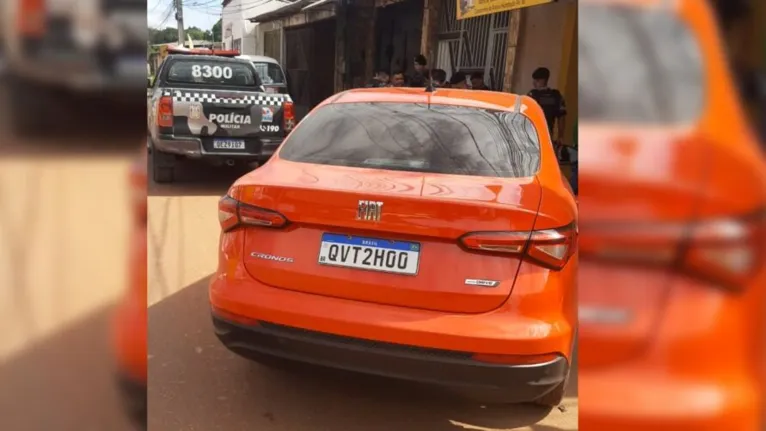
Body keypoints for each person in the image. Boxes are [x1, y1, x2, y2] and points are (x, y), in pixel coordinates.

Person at [527, 67, 567, 152]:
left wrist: (560, 136)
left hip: (533, 134)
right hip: (546, 134)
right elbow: (561, 117)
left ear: (543, 80)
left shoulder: (532, 95)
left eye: (537, 80)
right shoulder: (556, 96)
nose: (534, 83)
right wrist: (560, 136)